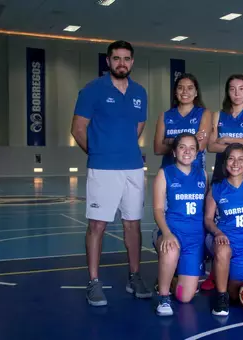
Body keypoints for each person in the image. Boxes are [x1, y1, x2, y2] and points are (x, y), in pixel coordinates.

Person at [71, 40, 152, 307]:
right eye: (116, 58)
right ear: (108, 61)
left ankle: (135, 276)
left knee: (133, 223)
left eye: (127, 59)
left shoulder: (140, 92)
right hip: (102, 168)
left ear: (132, 62)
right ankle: (93, 281)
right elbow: (78, 128)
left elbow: (138, 127)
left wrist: (124, 149)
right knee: (97, 225)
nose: (122, 63)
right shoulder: (92, 90)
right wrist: (98, 153)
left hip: (132, 167)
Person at [204, 74, 243, 290]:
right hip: (222, 171)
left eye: (241, 89)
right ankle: (215, 266)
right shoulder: (218, 115)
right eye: (232, 89)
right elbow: (210, 146)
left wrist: (226, 140)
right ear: (227, 92)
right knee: (215, 218)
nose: (237, 93)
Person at [204, 143, 243, 316]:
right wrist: (217, 232)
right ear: (225, 162)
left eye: (240, 159)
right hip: (221, 238)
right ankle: (221, 297)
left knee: (238, 295)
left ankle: (222, 276)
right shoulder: (217, 187)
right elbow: (207, 219)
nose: (235, 163)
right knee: (223, 250)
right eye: (231, 158)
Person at [153, 132, 208, 316]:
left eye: (192, 148)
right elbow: (158, 210)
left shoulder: (203, 175)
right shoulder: (165, 173)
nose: (187, 152)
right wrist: (166, 233)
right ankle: (163, 296)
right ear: (175, 152)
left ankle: (170, 279)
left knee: (186, 297)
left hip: (195, 238)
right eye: (182, 147)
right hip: (172, 231)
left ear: (197, 153)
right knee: (171, 249)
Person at [154, 73, 212, 169]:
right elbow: (158, 149)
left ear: (196, 92)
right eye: (180, 88)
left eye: (190, 88)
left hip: (195, 172)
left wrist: (169, 140)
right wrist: (192, 138)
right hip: (169, 171)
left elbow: (200, 146)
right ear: (176, 92)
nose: (185, 91)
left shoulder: (205, 114)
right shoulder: (164, 115)